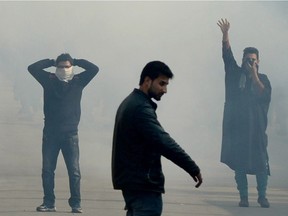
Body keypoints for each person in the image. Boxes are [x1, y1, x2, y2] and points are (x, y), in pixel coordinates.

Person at [111, 61, 203, 216]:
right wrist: (191, 166)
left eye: (166, 85)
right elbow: (163, 141)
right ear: (147, 81)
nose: (165, 90)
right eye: (161, 84)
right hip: (143, 186)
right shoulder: (140, 108)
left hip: (133, 184)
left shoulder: (130, 102)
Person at [28, 53, 99, 213]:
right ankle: (49, 202)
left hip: (70, 134)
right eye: (61, 67)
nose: (64, 69)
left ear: (72, 67)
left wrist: (78, 61)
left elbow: (94, 69)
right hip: (50, 134)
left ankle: (76, 203)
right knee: (47, 170)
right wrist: (51, 61)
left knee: (74, 171)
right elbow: (32, 68)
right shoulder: (49, 80)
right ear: (56, 68)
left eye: (67, 66)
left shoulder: (78, 81)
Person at [217, 19, 272, 208]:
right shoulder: (234, 73)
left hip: (256, 129)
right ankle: (244, 197)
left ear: (258, 62)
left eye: (253, 60)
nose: (250, 63)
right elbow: (227, 55)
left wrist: (255, 74)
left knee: (261, 164)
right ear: (242, 61)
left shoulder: (263, 79)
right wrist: (225, 34)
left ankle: (262, 196)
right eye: (247, 60)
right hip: (237, 129)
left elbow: (263, 94)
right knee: (239, 164)